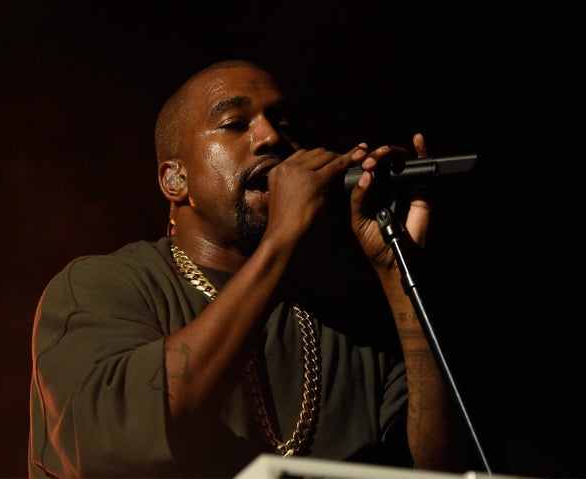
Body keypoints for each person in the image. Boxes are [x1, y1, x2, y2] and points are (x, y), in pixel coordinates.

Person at [28, 58, 468, 478]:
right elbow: (116, 442)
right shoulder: (101, 288)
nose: (271, 138)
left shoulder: (352, 337)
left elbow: (447, 470)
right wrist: (282, 238)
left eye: (285, 124)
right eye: (235, 124)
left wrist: (402, 276)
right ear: (175, 180)